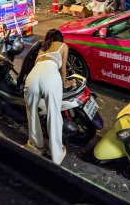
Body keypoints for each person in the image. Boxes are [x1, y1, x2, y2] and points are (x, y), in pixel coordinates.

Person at [24, 29, 75, 165]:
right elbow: (63, 70)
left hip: (33, 77)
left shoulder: (42, 48)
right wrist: (64, 84)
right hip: (50, 76)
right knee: (54, 114)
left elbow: (36, 65)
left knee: (32, 112)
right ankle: (56, 154)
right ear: (60, 38)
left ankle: (36, 146)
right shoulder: (63, 46)